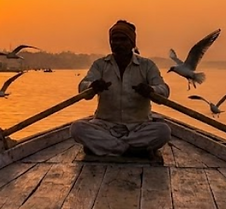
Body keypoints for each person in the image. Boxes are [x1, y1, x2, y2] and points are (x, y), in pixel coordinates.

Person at [71, 20, 172, 157]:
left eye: (123, 39)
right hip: (105, 126)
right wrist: (92, 86)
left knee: (163, 131)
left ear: (132, 43)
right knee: (77, 129)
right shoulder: (100, 65)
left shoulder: (147, 65)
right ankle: (131, 149)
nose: (117, 43)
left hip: (138, 126)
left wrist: (151, 91)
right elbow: (83, 88)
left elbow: (164, 90)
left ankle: (105, 147)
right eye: (114, 40)